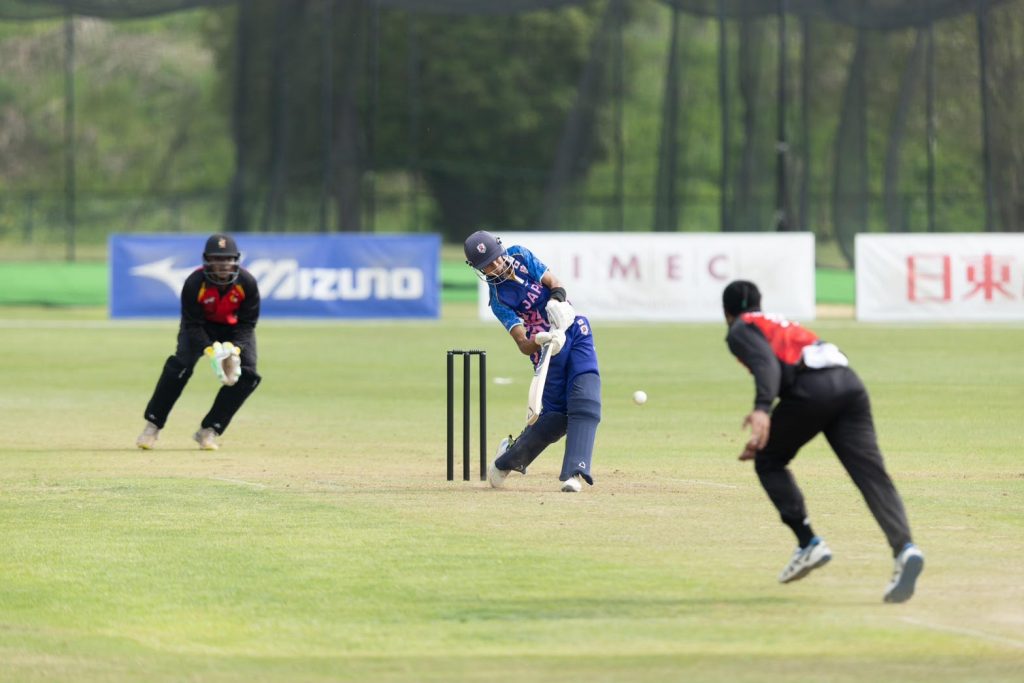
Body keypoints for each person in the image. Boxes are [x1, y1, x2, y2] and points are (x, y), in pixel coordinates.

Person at [722, 280, 924, 603]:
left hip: (812, 389)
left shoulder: (740, 328)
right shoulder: (777, 321)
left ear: (727, 313)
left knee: (768, 460)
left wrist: (762, 409)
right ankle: (905, 549)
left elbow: (766, 364)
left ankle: (808, 543)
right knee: (871, 474)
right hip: (849, 384)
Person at [464, 230, 601, 492]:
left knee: (586, 400)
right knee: (555, 419)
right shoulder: (498, 300)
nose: (495, 266)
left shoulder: (520, 255)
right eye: (487, 266)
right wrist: (541, 339)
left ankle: (574, 473)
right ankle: (506, 460)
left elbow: (555, 283)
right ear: (478, 269)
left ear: (501, 250)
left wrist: (557, 302)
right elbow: (522, 344)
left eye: (495, 258)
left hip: (574, 329)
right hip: (548, 351)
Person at [136, 233, 262, 451]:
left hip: (234, 330)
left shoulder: (247, 282)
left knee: (248, 376)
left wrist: (235, 348)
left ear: (236, 260)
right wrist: (209, 349)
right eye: (217, 259)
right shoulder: (195, 283)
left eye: (228, 259)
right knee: (179, 367)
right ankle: (152, 426)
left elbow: (248, 323)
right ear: (207, 260)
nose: (223, 264)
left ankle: (209, 430)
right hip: (200, 327)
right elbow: (191, 323)